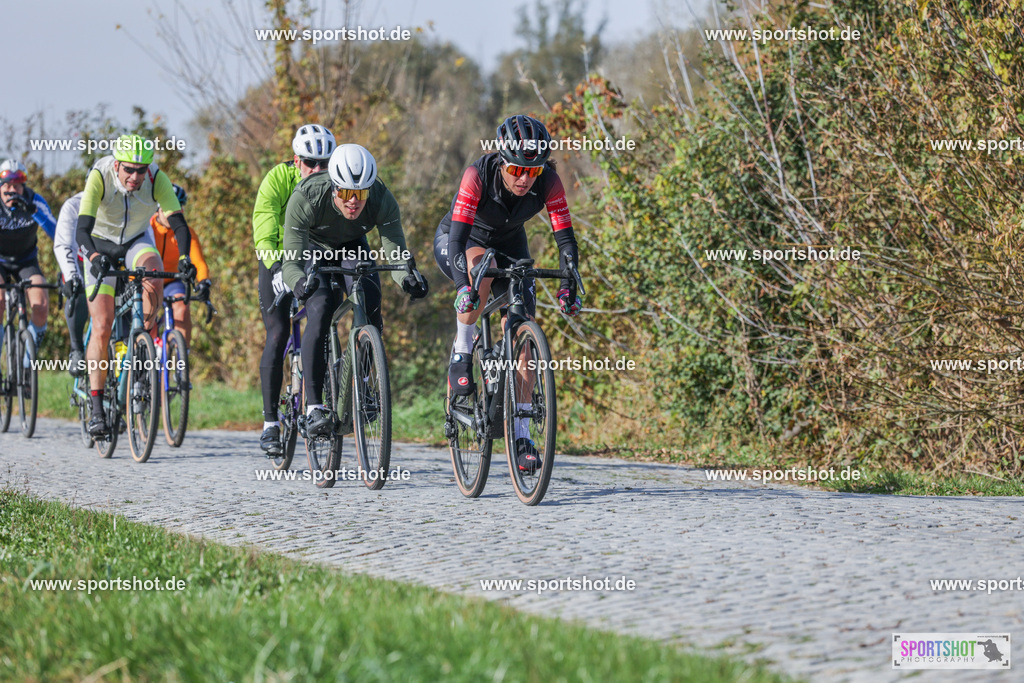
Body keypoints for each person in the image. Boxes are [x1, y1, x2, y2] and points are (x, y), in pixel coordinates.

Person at [433, 115, 582, 473]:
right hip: (463, 240)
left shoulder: (548, 182)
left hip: (511, 245)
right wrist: (462, 288)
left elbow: (565, 239)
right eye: (517, 169)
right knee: (482, 269)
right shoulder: (477, 175)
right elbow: (456, 238)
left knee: (525, 338)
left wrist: (568, 285)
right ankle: (463, 349)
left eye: (532, 171)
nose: (524, 178)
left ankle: (521, 435)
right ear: (502, 160)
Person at [282, 143, 428, 438]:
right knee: (321, 308)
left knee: (371, 298)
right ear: (333, 187)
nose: (353, 201)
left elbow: (396, 251)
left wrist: (407, 279)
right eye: (346, 193)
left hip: (352, 247)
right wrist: (299, 282)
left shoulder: (381, 198)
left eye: (360, 194)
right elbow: (291, 262)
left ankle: (359, 381)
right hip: (314, 249)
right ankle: (314, 408)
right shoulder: (306, 197)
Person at [76, 134, 195, 436]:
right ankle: (97, 406)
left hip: (135, 241)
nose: (135, 176)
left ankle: (143, 344)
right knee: (102, 325)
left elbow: (178, 223)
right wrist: (92, 256)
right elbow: (82, 230)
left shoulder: (157, 178)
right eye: (129, 169)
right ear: (116, 166)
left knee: (154, 273)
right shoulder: (99, 176)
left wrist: (184, 257)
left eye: (141, 170)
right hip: (99, 245)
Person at [252, 123, 336, 455]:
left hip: (312, 258)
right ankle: (270, 423)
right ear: (295, 161)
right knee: (277, 333)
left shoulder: (336, 181)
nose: (318, 170)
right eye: (310, 163)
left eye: (324, 163)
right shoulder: (277, 179)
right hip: (276, 257)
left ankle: (317, 402)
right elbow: (265, 222)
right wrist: (275, 266)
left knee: (321, 311)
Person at [0, 159, 57, 358]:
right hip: (0, 262)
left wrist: (34, 213)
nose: (12, 190)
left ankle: (26, 364)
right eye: (7, 185)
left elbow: (57, 234)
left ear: (24, 185)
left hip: (26, 261)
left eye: (17, 185)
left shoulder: (34, 200)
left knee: (40, 306)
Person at [149, 183, 211, 344]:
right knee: (147, 320)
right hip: (148, 281)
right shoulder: (147, 228)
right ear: (157, 209)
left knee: (182, 308)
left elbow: (199, 262)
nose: (172, 214)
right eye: (166, 209)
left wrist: (204, 282)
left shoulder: (186, 233)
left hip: (171, 280)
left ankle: (181, 361)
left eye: (178, 208)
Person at [52, 191, 88, 375]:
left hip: (107, 260)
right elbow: (63, 243)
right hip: (78, 261)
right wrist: (72, 276)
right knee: (78, 292)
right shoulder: (74, 205)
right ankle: (76, 349)